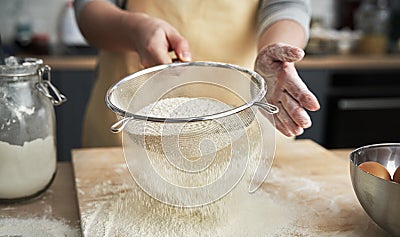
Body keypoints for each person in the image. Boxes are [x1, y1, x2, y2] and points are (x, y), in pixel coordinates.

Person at [74, 0, 320, 147]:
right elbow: (89, 9)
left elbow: (288, 5)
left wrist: (274, 50)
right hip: (135, 124)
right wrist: (135, 29)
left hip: (246, 119)